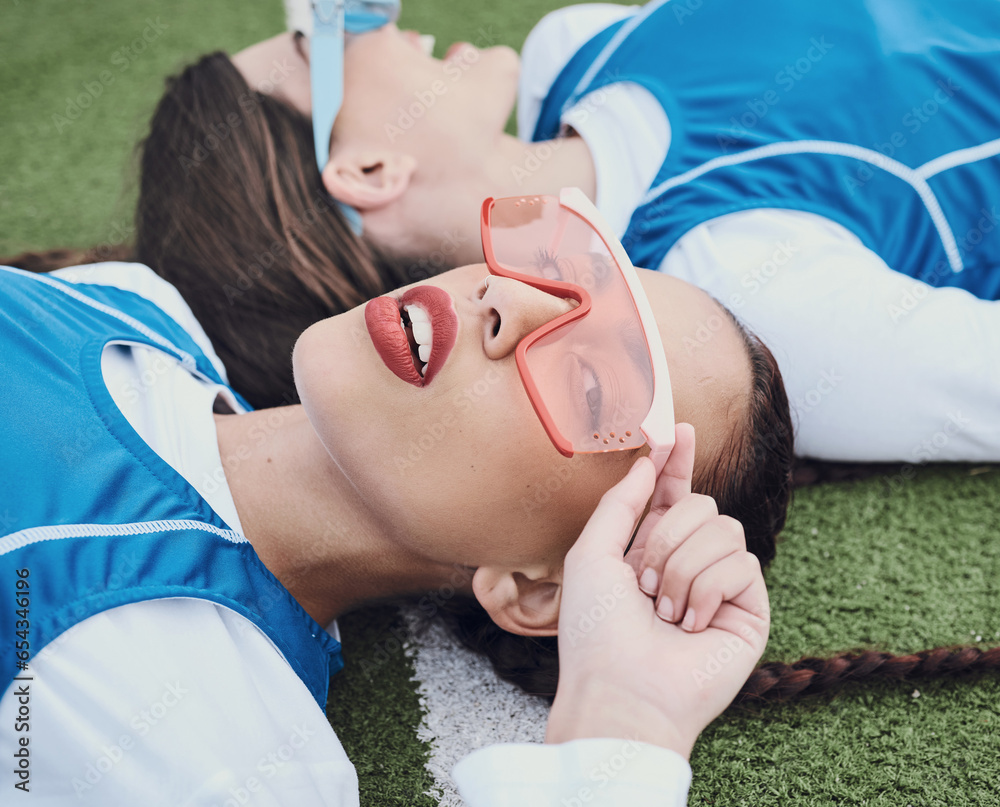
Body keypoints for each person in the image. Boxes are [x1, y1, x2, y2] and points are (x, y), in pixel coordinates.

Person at [0, 198, 778, 803]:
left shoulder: (203, 746)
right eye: (564, 270)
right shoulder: (132, 307)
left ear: (541, 585)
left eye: (591, 383)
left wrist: (625, 720)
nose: (507, 296)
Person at [137, 0, 1000, 465]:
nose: (379, 13)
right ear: (368, 167)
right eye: (329, 31)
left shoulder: (578, 48)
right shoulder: (739, 278)